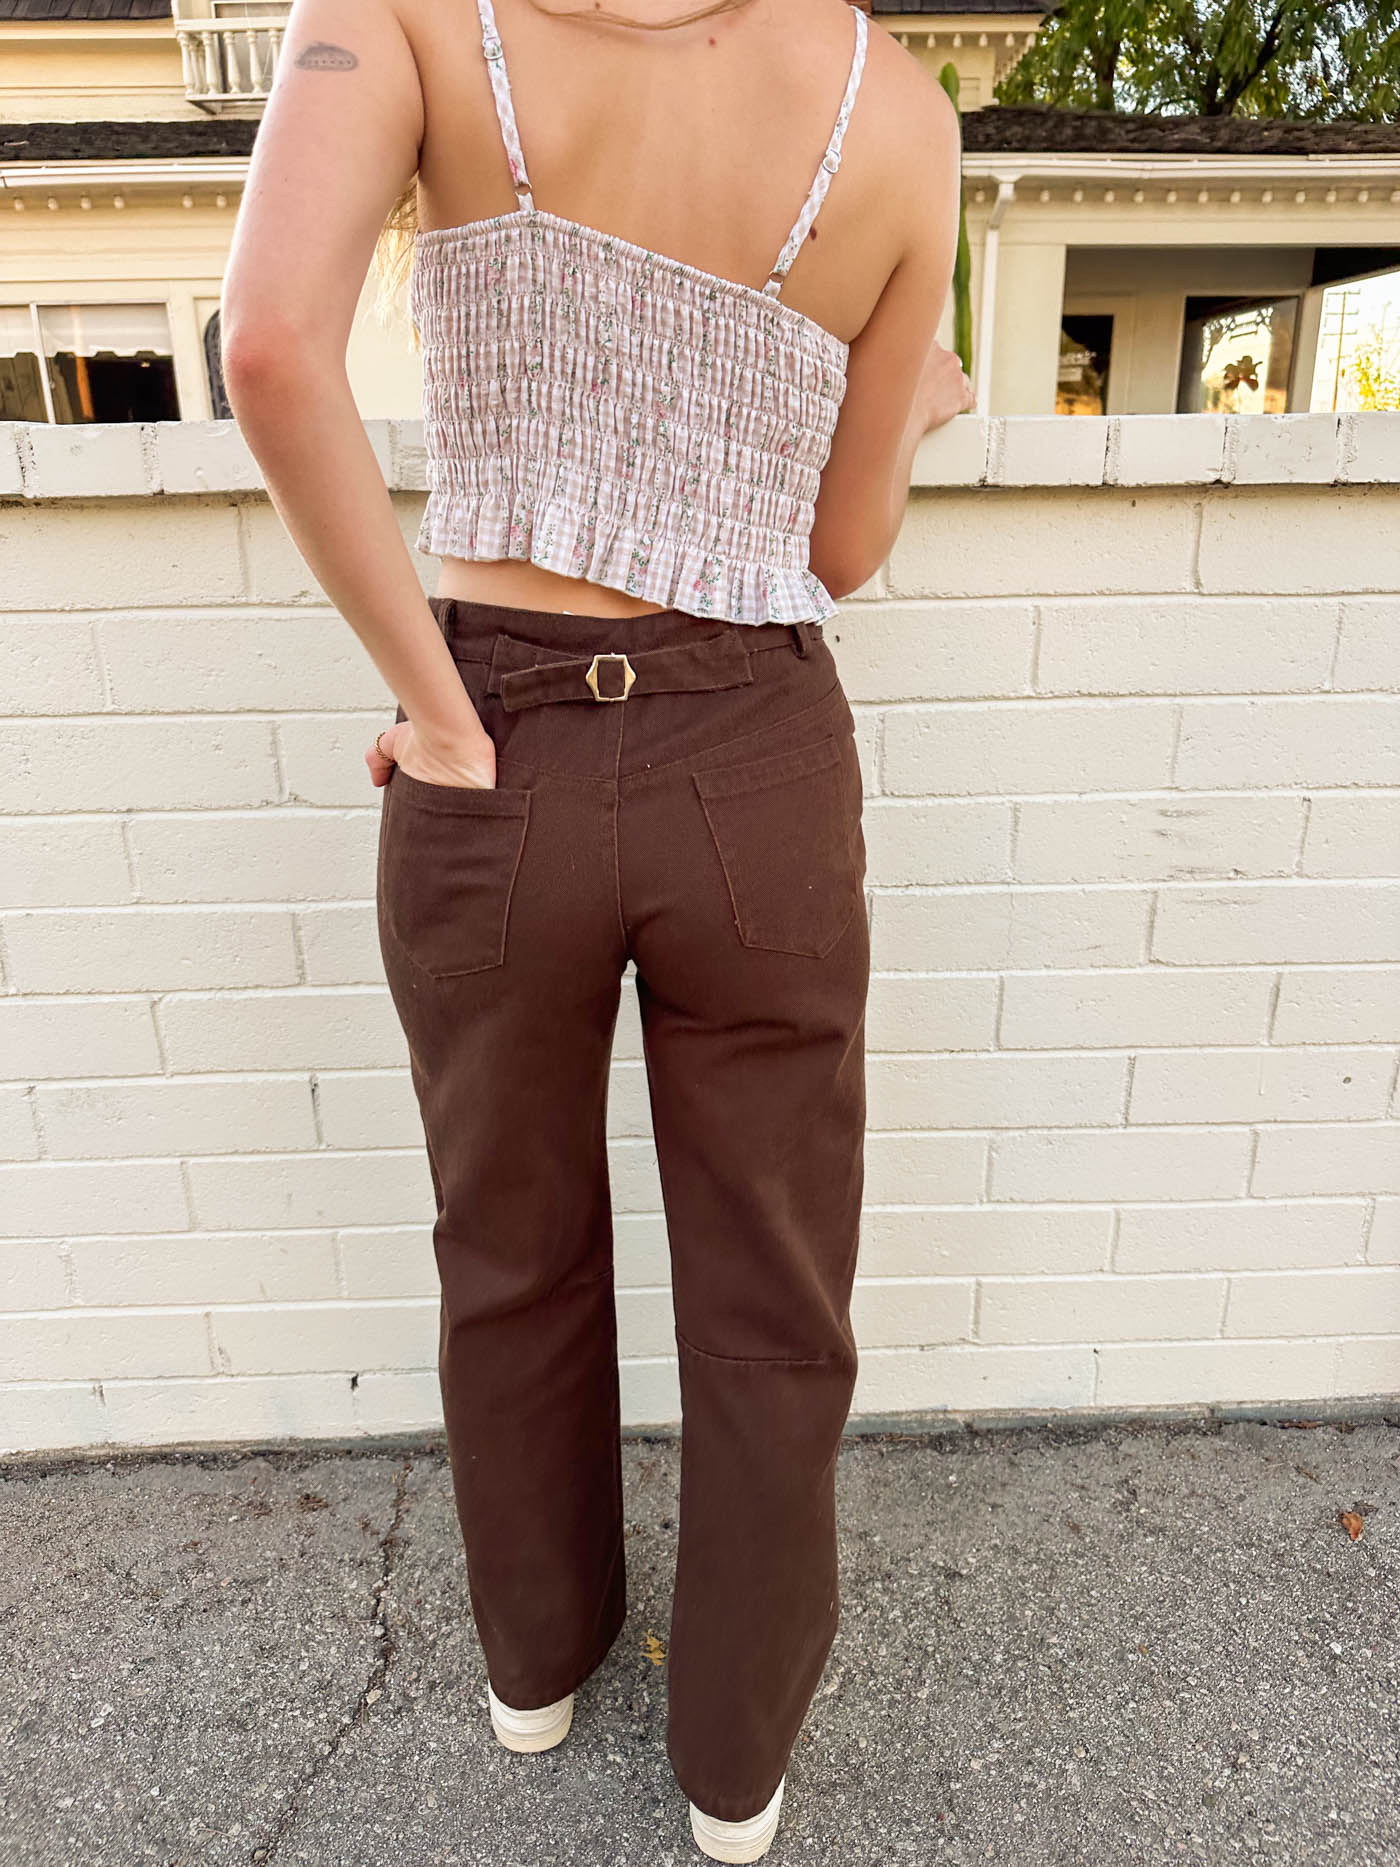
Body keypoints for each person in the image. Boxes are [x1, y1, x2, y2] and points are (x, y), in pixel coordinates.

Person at [222, 0, 973, 1856]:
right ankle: (734, 1769)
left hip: (498, 755)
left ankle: (536, 1667)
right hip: (761, 769)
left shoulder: (403, 19)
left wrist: (445, 708)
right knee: (773, 1294)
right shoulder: (899, 114)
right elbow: (847, 541)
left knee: (511, 1247)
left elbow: (268, 348)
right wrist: (926, 389)